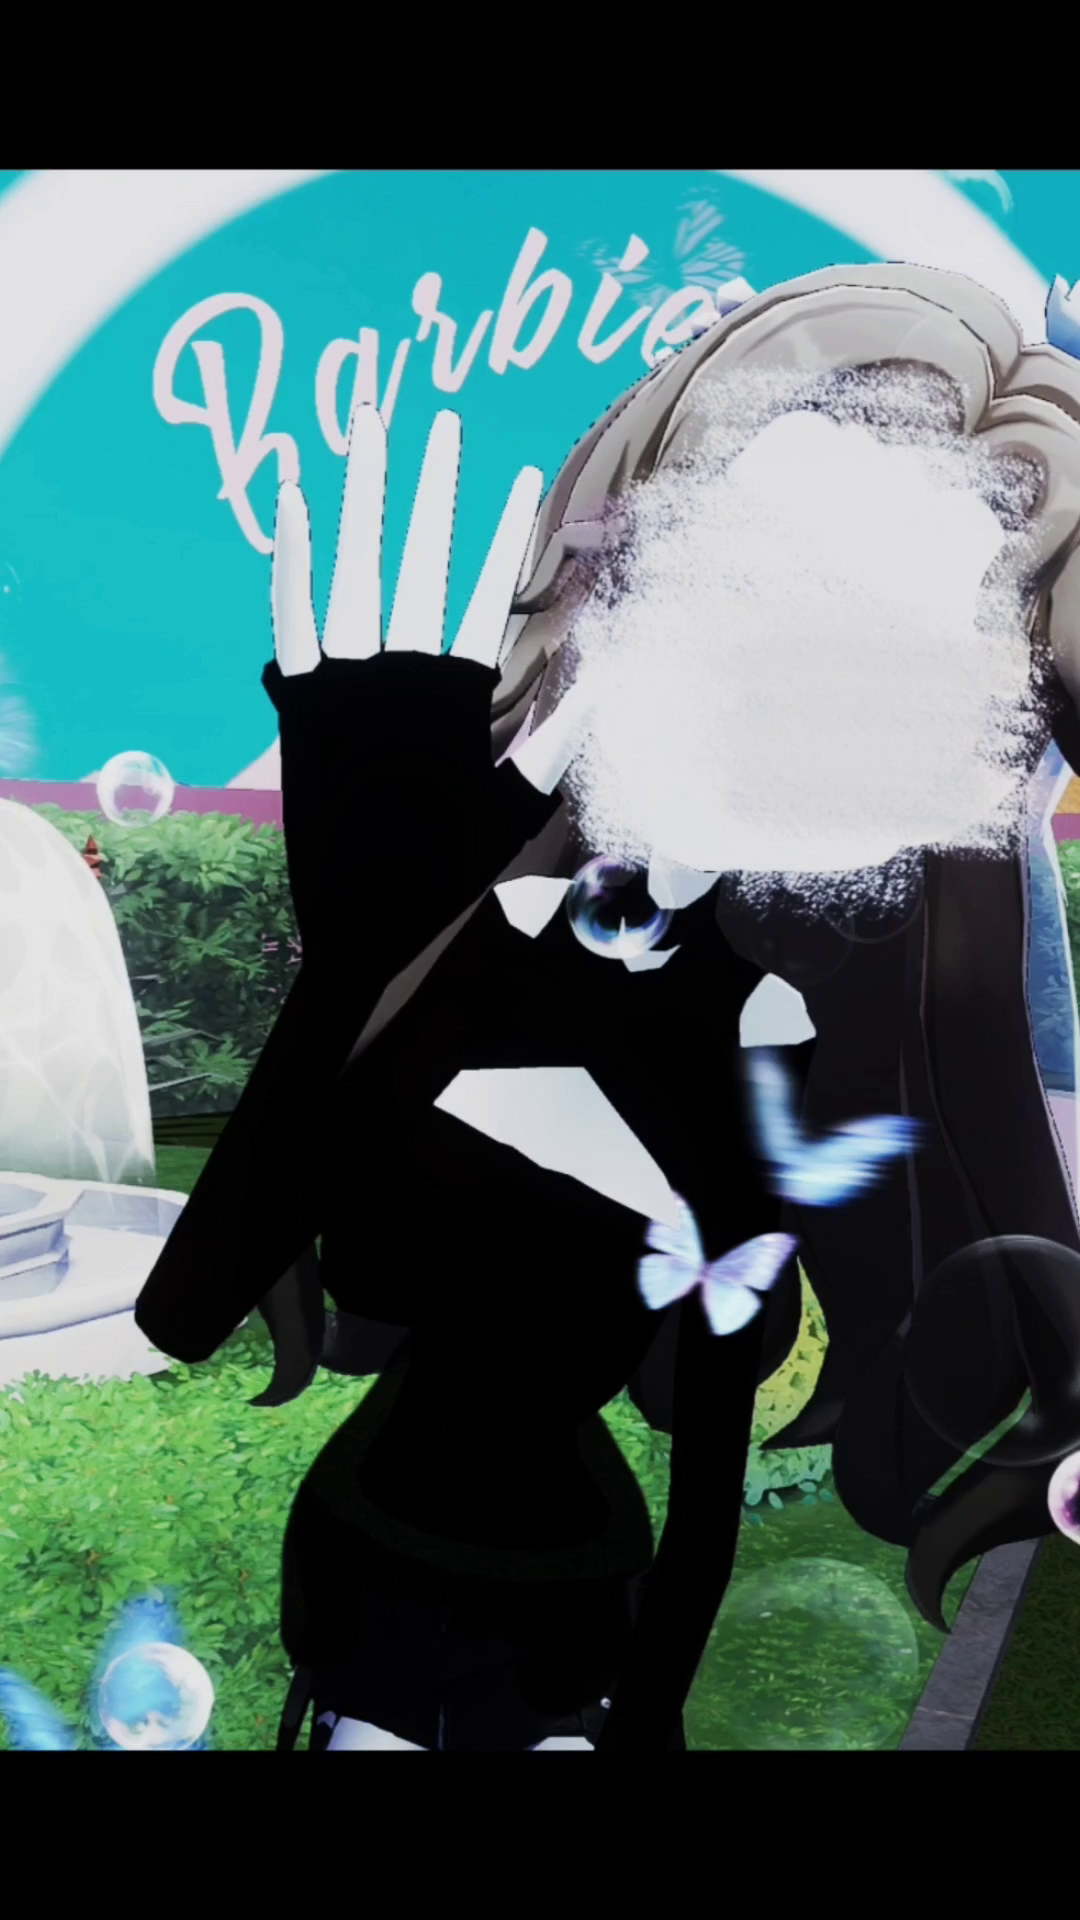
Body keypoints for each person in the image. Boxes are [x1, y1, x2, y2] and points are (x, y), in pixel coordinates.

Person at [137, 261, 1080, 1750]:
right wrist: (363, 967)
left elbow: (704, 1466)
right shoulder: (471, 950)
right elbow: (187, 1309)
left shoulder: (763, 1047)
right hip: (372, 1577)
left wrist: (643, 1715)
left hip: (568, 1617)